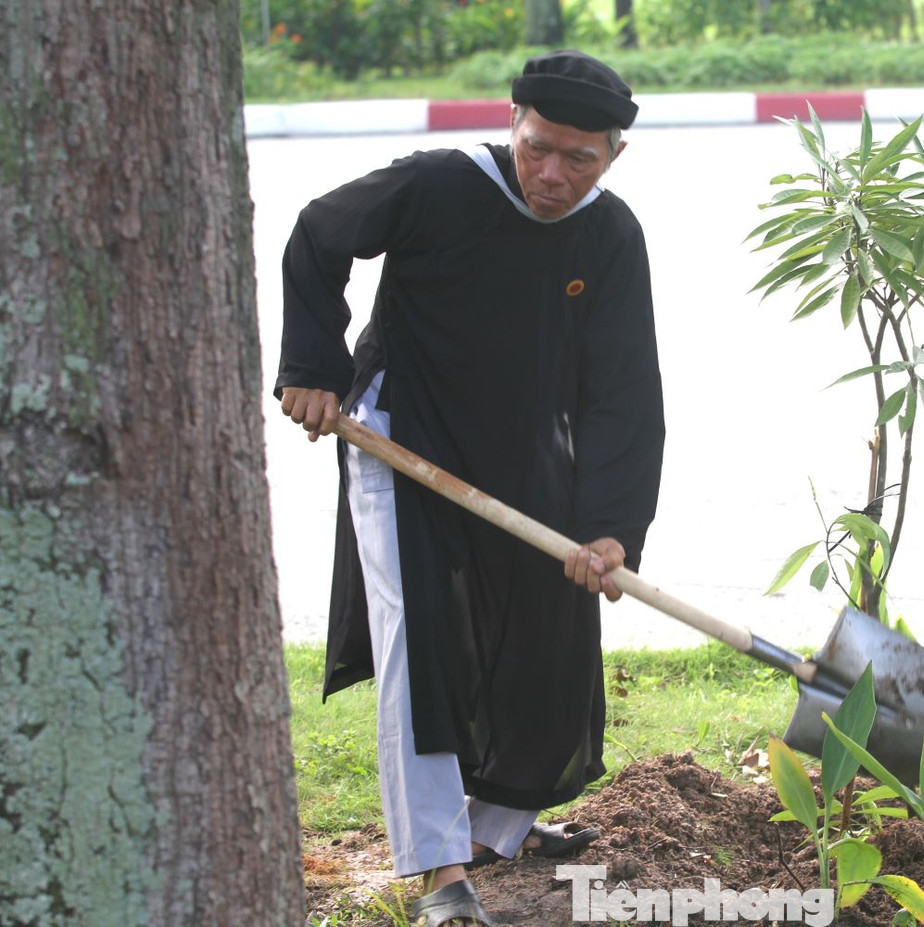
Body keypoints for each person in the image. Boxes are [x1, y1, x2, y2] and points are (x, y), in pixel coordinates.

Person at [275, 50, 664, 927]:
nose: (552, 175)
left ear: (614, 156)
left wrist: (610, 526)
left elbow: (624, 391)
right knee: (421, 644)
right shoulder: (438, 185)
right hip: (400, 435)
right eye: (537, 148)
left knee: (548, 629)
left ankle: (497, 830)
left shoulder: (610, 234)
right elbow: (317, 232)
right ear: (512, 123)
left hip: (524, 453)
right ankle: (440, 872)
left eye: (579, 159)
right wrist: (313, 366)